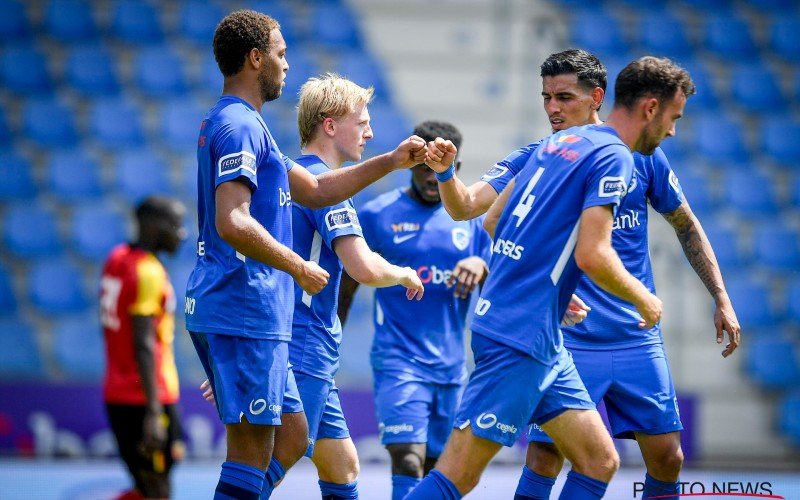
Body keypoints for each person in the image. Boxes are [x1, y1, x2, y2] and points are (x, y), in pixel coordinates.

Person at [430, 49, 742, 500]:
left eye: (564, 97)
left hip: (632, 336)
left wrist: (721, 296)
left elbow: (685, 224)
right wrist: (446, 175)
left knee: (658, 458)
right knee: (534, 459)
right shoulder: (541, 154)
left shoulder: (642, 157)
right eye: (546, 98)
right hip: (559, 334)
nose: (553, 109)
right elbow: (476, 212)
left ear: (596, 97)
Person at [184, 10, 427, 499]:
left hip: (256, 316)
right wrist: (298, 266)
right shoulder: (237, 126)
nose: (286, 65)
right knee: (253, 453)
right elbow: (233, 220)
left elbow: (315, 190)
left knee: (295, 437)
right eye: (280, 53)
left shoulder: (249, 125)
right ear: (256, 59)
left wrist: (393, 161)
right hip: (244, 308)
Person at [337, 120, 493, 500]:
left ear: (455, 165)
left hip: (452, 368)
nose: (429, 176)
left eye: (440, 168)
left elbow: (500, 286)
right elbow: (348, 281)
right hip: (399, 360)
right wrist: (331, 334)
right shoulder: (376, 216)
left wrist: (483, 266)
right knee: (407, 459)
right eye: (423, 166)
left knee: (439, 469)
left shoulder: (470, 222)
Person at [100, 196, 188, 500]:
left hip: (117, 392)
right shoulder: (147, 271)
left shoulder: (116, 258)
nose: (182, 233)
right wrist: (153, 412)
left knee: (144, 484)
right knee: (157, 488)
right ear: (152, 226)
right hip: (148, 398)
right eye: (176, 225)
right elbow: (143, 343)